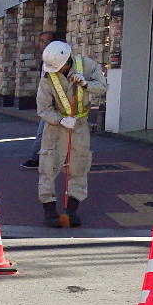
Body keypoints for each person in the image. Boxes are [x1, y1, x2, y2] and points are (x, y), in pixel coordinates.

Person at [36, 40, 107, 227]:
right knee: (48, 165)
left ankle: (72, 211)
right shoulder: (48, 75)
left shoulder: (88, 66)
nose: (56, 71)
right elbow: (43, 109)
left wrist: (86, 84)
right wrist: (60, 120)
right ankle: (49, 212)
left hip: (80, 125)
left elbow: (103, 87)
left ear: (68, 61)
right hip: (55, 127)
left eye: (60, 67)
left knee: (79, 165)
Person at [21, 31, 59, 169]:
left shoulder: (58, 60)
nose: (45, 44)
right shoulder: (44, 61)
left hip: (55, 102)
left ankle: (35, 159)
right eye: (42, 41)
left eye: (48, 41)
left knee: (43, 131)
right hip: (47, 101)